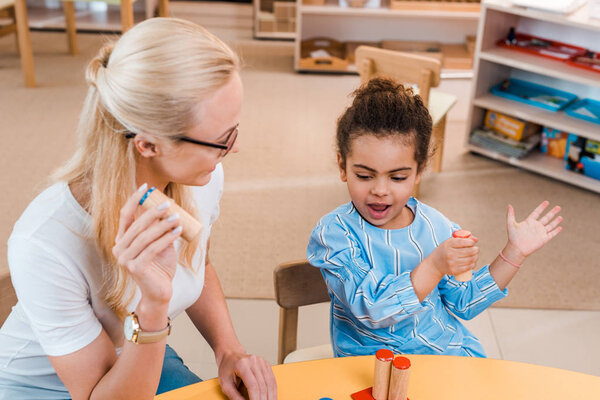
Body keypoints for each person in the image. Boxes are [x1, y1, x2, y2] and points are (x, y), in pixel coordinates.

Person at [0, 18, 277, 400]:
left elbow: (200, 265)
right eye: (221, 140)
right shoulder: (46, 242)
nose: (234, 149)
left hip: (140, 352)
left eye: (233, 131)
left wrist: (228, 349)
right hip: (46, 388)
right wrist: (153, 303)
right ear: (147, 145)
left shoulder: (203, 176)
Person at [306, 78, 563, 358]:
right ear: (343, 166)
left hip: (446, 354)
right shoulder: (334, 234)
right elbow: (372, 310)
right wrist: (435, 264)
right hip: (373, 366)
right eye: (364, 176)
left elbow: (465, 303)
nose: (380, 190)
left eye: (398, 177)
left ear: (419, 172)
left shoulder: (437, 226)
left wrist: (513, 253)